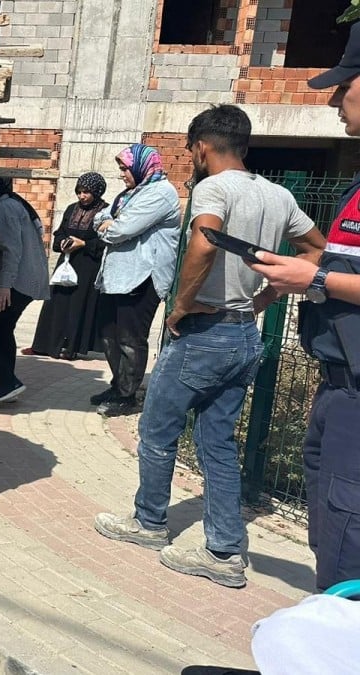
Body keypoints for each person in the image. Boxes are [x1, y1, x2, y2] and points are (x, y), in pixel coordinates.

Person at [94, 105, 324, 589]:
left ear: (201, 145)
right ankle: (223, 550)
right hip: (244, 333)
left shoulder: (213, 188)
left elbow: (202, 243)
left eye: (190, 148)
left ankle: (149, 523)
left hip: (204, 331)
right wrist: (265, 296)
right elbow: (315, 252)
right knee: (217, 442)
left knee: (157, 430)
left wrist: (181, 305)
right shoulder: (278, 195)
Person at [249, 21, 360, 591]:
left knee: (347, 543)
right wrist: (304, 283)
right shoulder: (357, 186)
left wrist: (313, 275)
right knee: (331, 527)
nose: (336, 100)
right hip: (338, 384)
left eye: (346, 85)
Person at [90, 144, 181, 417]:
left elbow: (119, 230)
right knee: (109, 335)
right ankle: (118, 385)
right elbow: (100, 218)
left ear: (142, 166)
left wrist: (111, 225)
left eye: (124, 168)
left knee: (130, 338)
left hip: (142, 277)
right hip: (116, 277)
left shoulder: (161, 193)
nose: (121, 175)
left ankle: (127, 395)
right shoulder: (131, 194)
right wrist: (108, 223)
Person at [0, 177, 51, 404]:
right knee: (2, 330)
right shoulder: (8, 205)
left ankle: (8, 381)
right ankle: (6, 384)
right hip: (22, 282)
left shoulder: (5, 209)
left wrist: (4, 286)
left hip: (15, 284)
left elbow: (12, 250)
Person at [28, 172, 110, 360]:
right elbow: (60, 233)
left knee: (77, 306)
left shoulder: (106, 212)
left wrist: (84, 244)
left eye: (87, 192)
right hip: (66, 262)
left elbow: (106, 241)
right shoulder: (71, 209)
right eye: (79, 192)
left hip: (88, 266)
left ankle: (70, 347)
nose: (82, 196)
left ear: (96, 192)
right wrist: (64, 242)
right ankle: (48, 345)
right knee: (57, 304)